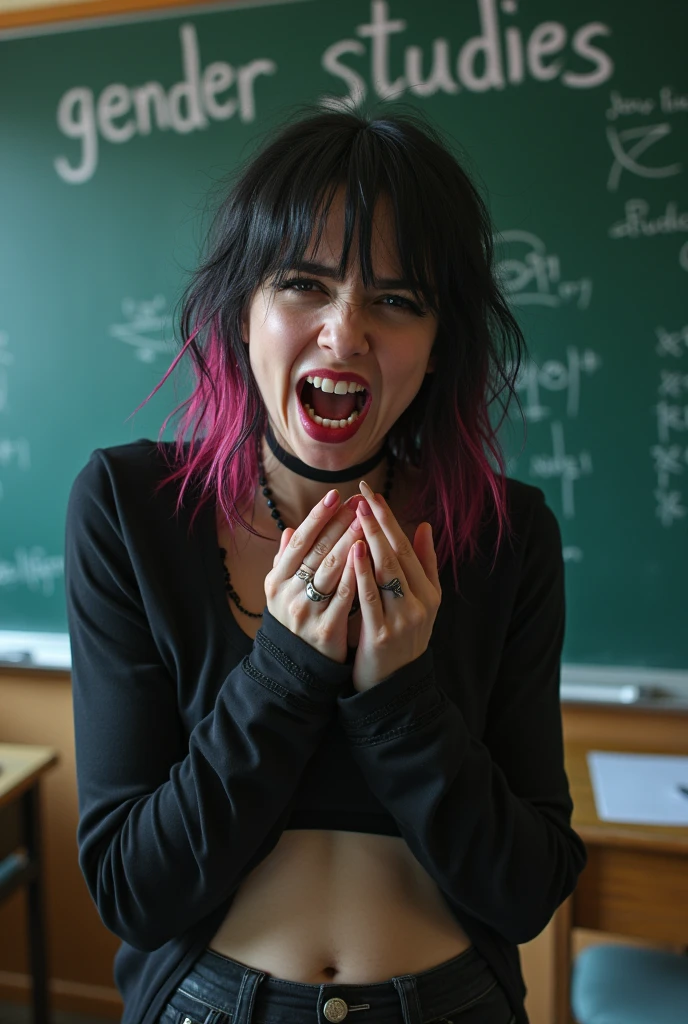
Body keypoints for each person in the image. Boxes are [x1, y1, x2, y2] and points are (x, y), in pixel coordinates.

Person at [64, 105, 587, 1024]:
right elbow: (131, 890)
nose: (346, 335)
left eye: (397, 299)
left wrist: (401, 698)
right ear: (243, 312)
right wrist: (288, 667)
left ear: (436, 348)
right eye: (304, 284)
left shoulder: (510, 536)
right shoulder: (127, 509)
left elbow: (525, 890)